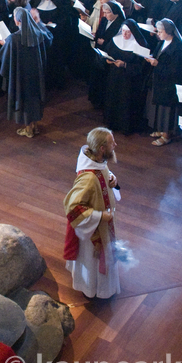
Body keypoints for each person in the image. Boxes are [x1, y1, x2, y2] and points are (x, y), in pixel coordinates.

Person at [64, 127, 121, 299]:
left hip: (103, 224)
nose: (115, 145)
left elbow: (102, 172)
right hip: (93, 232)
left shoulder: (96, 161)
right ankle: (92, 290)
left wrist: (112, 179)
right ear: (102, 149)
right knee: (91, 261)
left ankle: (100, 288)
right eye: (112, 143)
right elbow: (73, 207)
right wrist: (100, 216)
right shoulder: (88, 178)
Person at [0, 7, 52, 138]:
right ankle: (34, 126)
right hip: (37, 74)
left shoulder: (13, 39)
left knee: (23, 100)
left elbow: (5, 57)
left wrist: (4, 44)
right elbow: (48, 43)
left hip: (20, 76)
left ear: (17, 21)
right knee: (34, 100)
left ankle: (28, 129)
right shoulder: (39, 34)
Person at [102, 20, 150, 136]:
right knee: (113, 98)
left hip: (130, 81)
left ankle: (125, 126)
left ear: (133, 32)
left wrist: (125, 65)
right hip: (114, 77)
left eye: (128, 32)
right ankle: (112, 123)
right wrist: (107, 60)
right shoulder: (115, 40)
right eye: (123, 31)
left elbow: (143, 67)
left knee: (126, 102)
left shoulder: (141, 46)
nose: (124, 34)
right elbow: (106, 54)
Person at [147, 19, 182, 146]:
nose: (158, 34)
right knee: (159, 107)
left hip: (170, 84)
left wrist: (157, 64)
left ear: (168, 31)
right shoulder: (162, 42)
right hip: (160, 81)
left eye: (160, 32)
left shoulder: (178, 48)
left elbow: (176, 69)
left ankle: (167, 135)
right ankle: (161, 130)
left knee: (168, 110)